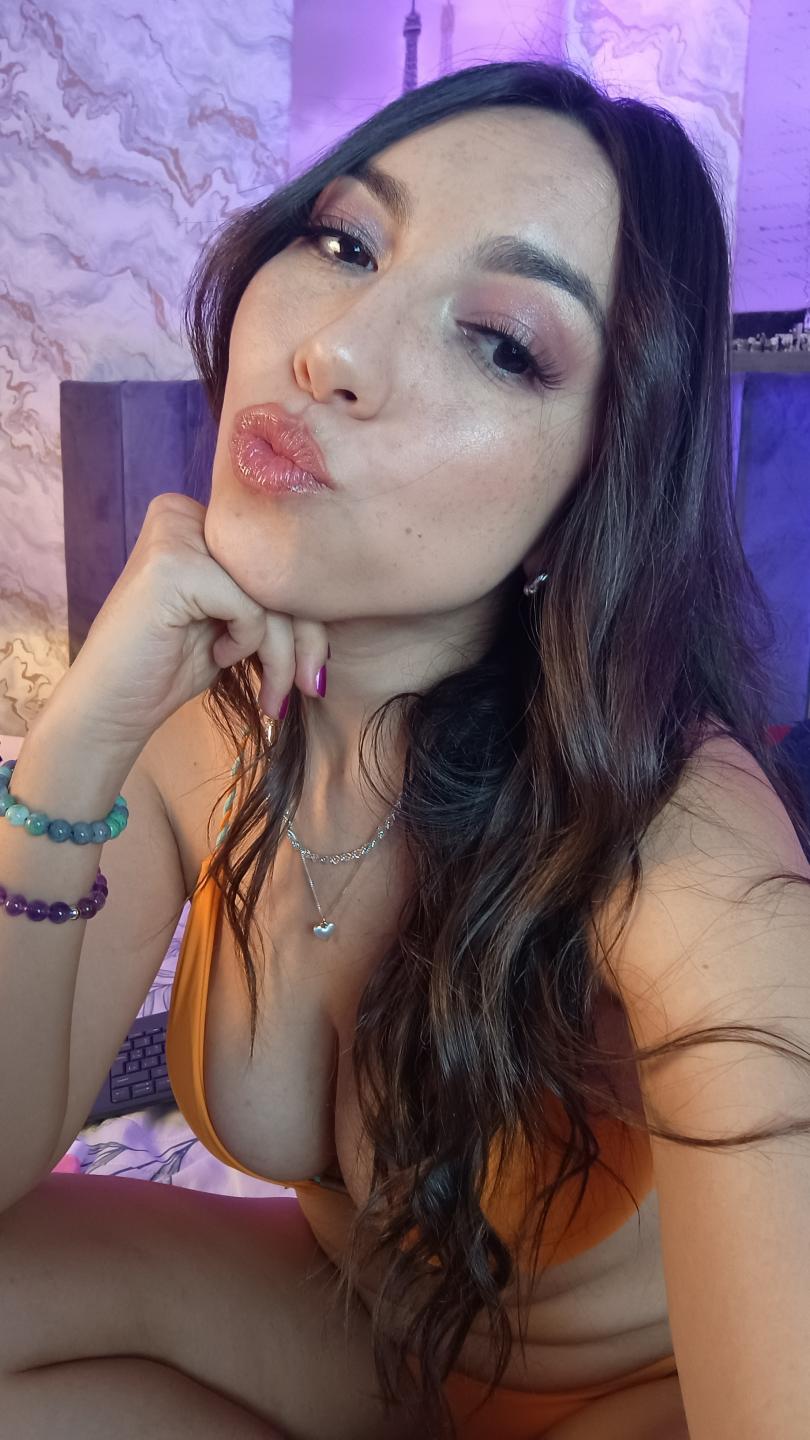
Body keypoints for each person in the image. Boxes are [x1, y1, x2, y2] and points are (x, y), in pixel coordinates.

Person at [1, 57, 809, 1440]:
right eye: (344, 242)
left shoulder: (676, 832)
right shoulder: (192, 722)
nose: (334, 348)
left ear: (593, 483)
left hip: (629, 1404)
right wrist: (74, 742)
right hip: (361, 1344)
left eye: (501, 341)